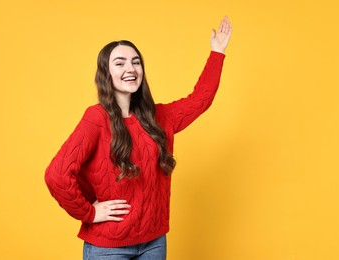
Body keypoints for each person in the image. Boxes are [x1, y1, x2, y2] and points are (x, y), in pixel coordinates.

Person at [45, 16, 232, 260]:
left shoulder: (160, 117)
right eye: (120, 63)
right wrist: (89, 213)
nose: (130, 69)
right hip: (108, 247)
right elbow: (56, 175)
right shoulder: (96, 118)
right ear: (106, 73)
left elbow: (200, 100)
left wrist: (217, 52)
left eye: (135, 62)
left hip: (154, 242)